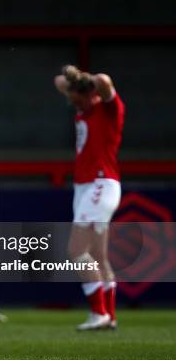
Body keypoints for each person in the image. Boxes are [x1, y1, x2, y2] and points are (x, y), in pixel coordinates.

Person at [54, 65, 125, 331]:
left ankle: (99, 313)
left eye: (76, 98)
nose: (73, 103)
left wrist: (88, 82)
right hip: (85, 187)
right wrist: (77, 82)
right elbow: (59, 80)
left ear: (87, 94)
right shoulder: (83, 107)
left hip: (100, 183)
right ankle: (110, 316)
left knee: (76, 250)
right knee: (97, 255)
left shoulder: (109, 109)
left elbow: (104, 80)